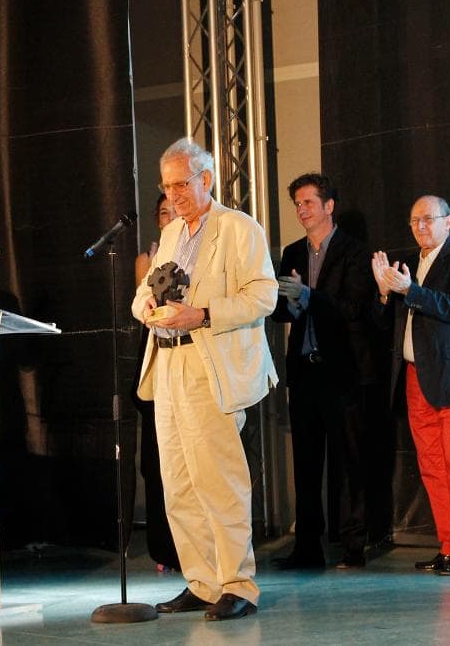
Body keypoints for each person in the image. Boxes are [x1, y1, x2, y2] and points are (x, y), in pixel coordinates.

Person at [132, 138, 278, 621]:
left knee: (220, 480)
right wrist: (147, 307)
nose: (174, 195)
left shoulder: (239, 228)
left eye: (182, 184)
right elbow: (144, 291)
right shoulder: (172, 234)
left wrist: (204, 313)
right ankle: (202, 580)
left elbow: (264, 296)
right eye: (167, 186)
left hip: (208, 363)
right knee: (178, 483)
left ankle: (238, 584)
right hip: (168, 364)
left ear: (207, 179)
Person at [371, 195, 450, 576]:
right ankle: (448, 546)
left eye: (428, 219)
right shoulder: (413, 262)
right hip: (415, 376)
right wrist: (386, 292)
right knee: (432, 466)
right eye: (414, 220)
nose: (420, 227)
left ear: (448, 222)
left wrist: (409, 290)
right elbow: (395, 318)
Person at [270, 173, 375, 570]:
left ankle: (353, 546)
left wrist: (309, 297)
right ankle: (307, 547)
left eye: (308, 202)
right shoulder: (293, 253)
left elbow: (352, 309)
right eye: (297, 204)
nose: (301, 210)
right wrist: (293, 306)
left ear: (329, 206)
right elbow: (280, 310)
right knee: (307, 462)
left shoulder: (354, 252)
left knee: (348, 461)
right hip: (305, 371)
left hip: (343, 371)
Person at [131, 193, 181, 573]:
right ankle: (164, 549)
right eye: (163, 212)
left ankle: (194, 553)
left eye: (175, 210)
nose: (170, 216)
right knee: (156, 464)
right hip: (155, 364)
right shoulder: (148, 260)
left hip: (189, 366)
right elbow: (141, 305)